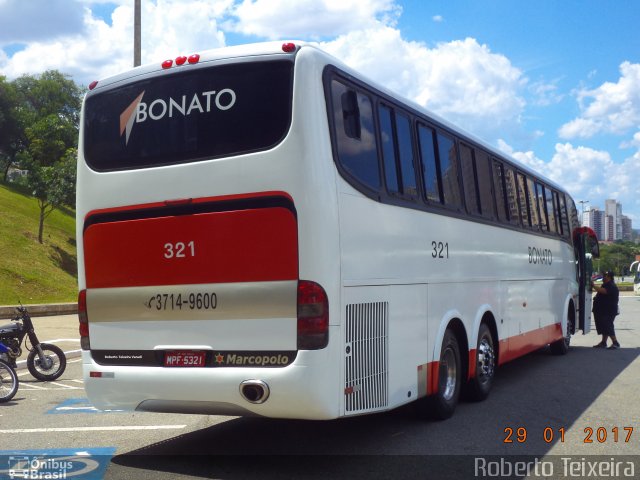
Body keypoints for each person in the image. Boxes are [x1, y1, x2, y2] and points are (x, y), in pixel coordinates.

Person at [591, 271, 620, 349]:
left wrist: (593, 286)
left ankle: (615, 343)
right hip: (604, 310)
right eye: (603, 275)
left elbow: (604, 291)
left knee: (608, 326)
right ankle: (603, 342)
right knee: (604, 326)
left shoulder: (611, 285)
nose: (603, 277)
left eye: (605, 275)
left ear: (609, 277)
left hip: (608, 310)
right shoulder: (606, 284)